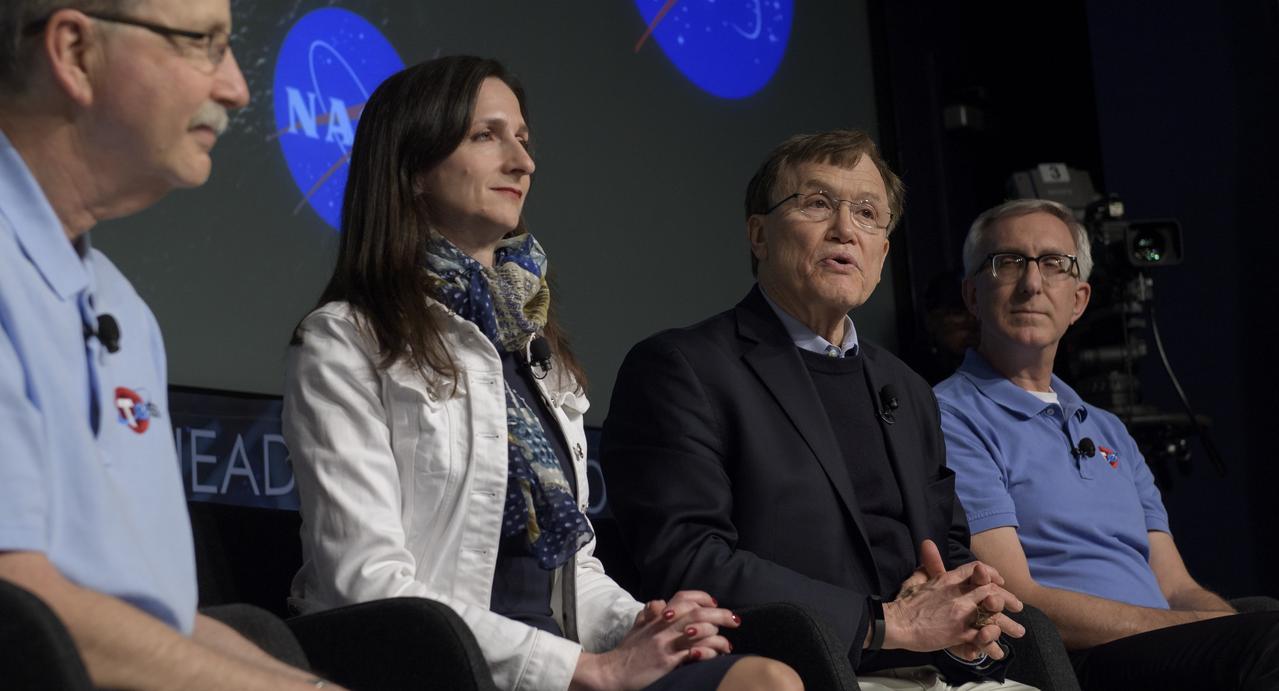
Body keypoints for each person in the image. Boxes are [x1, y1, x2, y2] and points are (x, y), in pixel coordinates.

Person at [282, 55, 802, 691]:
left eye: (523, 140)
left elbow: (567, 569)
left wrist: (643, 621)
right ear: (413, 166)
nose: (523, 163)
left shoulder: (534, 350)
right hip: (435, 666)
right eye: (486, 136)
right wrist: (590, 670)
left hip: (559, 661)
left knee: (765, 678)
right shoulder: (345, 339)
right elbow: (365, 583)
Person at [602, 130, 1034, 690]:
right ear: (759, 235)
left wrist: (967, 612)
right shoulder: (683, 368)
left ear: (883, 250)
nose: (845, 230)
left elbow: (945, 548)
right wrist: (883, 625)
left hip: (944, 673)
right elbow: (689, 561)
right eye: (817, 204)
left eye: (868, 214)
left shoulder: (908, 389)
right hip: (797, 673)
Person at [0, 1, 343, 689]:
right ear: (74, 51)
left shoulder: (122, 307)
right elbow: (21, 606)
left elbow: (158, 622)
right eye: (204, 44)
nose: (238, 88)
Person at [935, 198, 1279, 689]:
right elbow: (1015, 595)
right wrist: (1207, 631)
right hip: (1077, 660)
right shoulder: (951, 416)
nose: (1032, 283)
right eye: (1009, 262)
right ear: (971, 295)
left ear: (1078, 300)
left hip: (1166, 648)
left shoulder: (1109, 429)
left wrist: (1217, 624)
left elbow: (1176, 585)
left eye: (1053, 264)